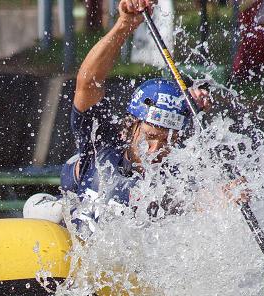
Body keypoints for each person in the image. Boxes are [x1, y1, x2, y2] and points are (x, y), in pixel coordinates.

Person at [24, 0, 217, 226]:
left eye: (167, 141)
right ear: (132, 127)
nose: (155, 150)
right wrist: (125, 24)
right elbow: (88, 83)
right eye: (150, 136)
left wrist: (228, 196)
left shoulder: (175, 180)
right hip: (72, 230)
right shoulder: (101, 147)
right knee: (39, 207)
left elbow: (205, 200)